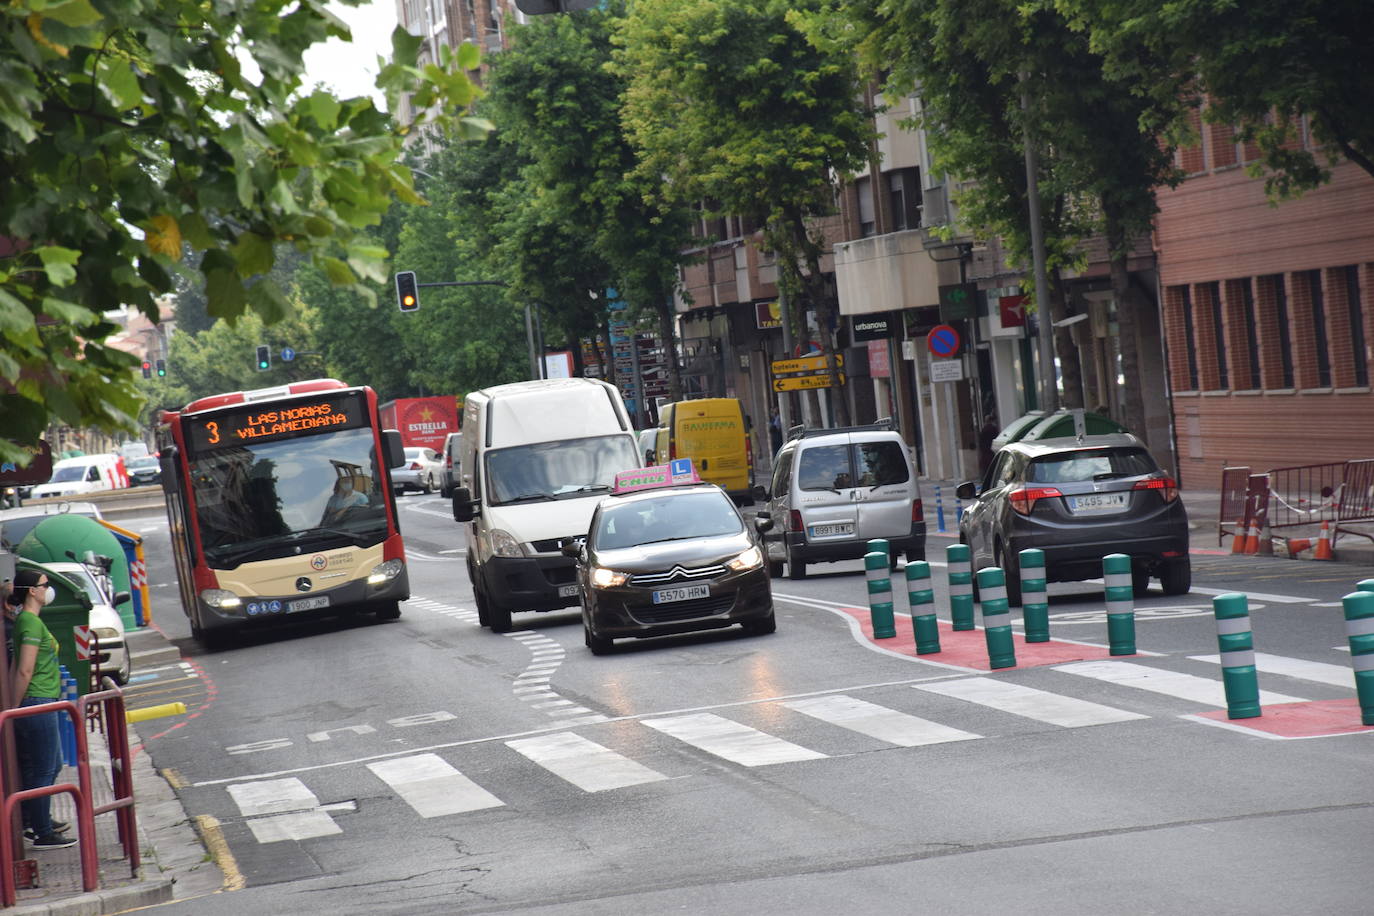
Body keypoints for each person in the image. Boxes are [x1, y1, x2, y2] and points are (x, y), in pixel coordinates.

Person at [8, 569, 75, 849]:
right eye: (44, 585)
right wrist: (14, 708)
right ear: (32, 592)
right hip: (36, 701)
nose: (48, 589)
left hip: (40, 700)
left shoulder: (27, 620)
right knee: (43, 768)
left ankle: (37, 818)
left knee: (48, 765)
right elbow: (23, 670)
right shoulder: (29, 622)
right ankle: (42, 830)